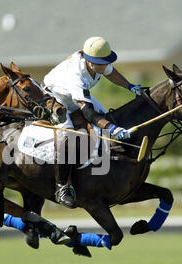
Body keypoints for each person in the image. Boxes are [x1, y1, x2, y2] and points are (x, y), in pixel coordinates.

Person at [43, 36, 143, 208]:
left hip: (74, 97)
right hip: (54, 99)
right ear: (89, 61)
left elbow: (111, 73)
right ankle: (63, 187)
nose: (105, 66)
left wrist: (129, 86)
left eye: (106, 62)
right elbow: (88, 113)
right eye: (101, 63)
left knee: (106, 116)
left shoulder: (99, 62)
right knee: (67, 136)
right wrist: (112, 129)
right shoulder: (76, 75)